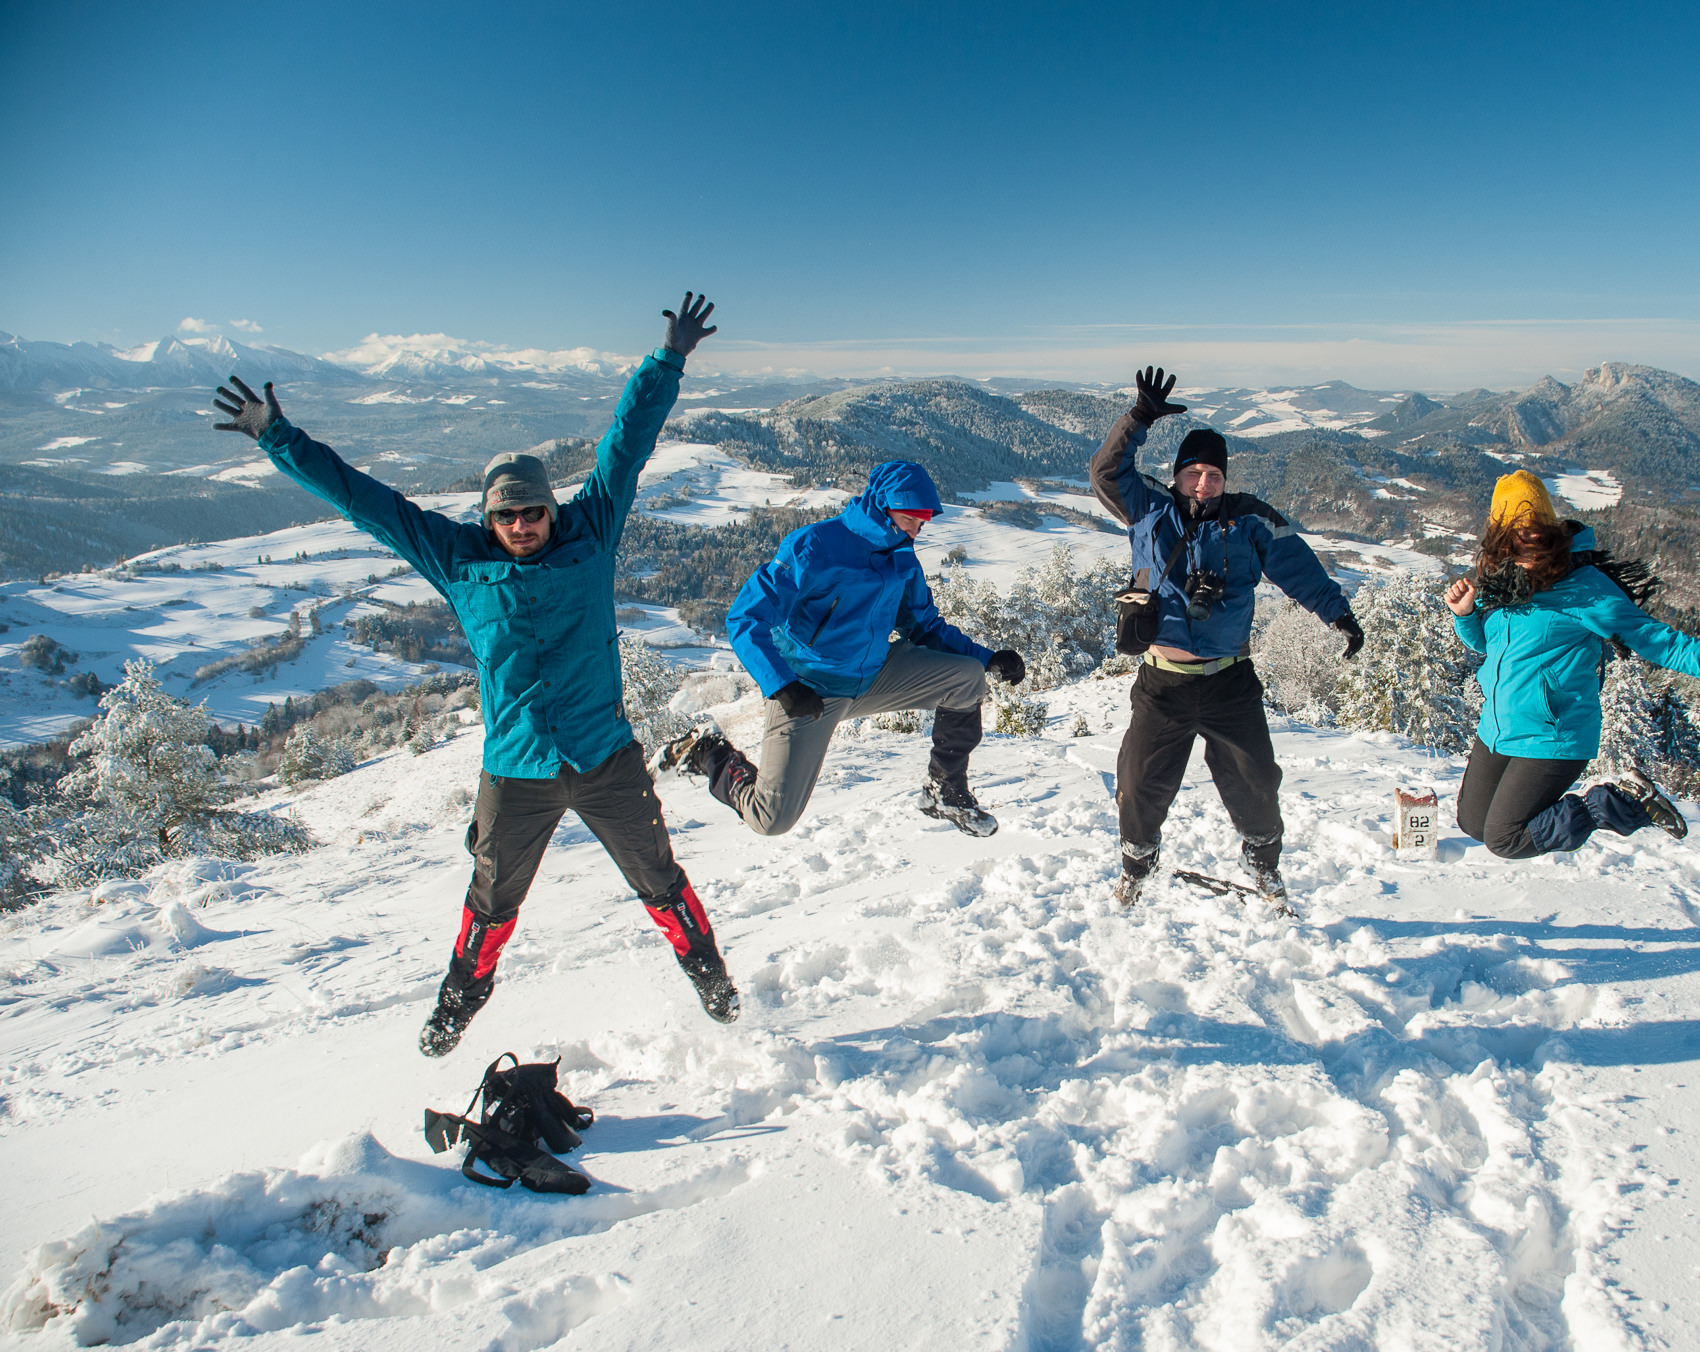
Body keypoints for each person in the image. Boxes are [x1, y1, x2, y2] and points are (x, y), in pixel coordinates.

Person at [211, 293, 741, 1056]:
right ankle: (458, 1004)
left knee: (660, 880)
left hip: (605, 757)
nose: (522, 524)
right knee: (491, 901)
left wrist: (667, 359)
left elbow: (625, 446)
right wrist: (280, 439)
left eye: (532, 511)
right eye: (506, 515)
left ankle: (710, 976)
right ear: (487, 520)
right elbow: (368, 502)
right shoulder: (457, 560)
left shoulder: (591, 530)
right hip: (515, 771)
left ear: (552, 509)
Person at [1090, 367, 1363, 908]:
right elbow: (1104, 473)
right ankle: (1137, 865)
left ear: (1225, 478)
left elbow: (1300, 570)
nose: (1203, 483)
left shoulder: (1251, 520)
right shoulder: (1149, 508)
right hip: (1163, 682)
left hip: (1230, 682)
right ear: (1178, 475)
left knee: (1257, 781)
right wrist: (1139, 417)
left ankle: (1262, 861)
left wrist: (1339, 616)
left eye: (1213, 475)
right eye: (1193, 473)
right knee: (1139, 784)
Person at [664, 459, 1026, 837]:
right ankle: (710, 752)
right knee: (771, 818)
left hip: (873, 676)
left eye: (922, 523)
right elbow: (744, 618)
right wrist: (784, 686)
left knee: (967, 678)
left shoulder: (902, 556)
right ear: (882, 506)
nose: (916, 532)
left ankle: (945, 791)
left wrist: (987, 659)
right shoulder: (815, 547)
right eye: (909, 520)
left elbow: (925, 627)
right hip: (810, 691)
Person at [1445, 470, 1700, 859]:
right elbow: (1488, 644)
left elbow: (1660, 642)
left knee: (1504, 839)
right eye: (1514, 536)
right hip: (1498, 728)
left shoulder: (1583, 588)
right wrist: (1465, 615)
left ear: (1550, 531)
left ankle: (1616, 802)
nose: (1526, 545)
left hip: (1553, 734)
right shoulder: (1500, 582)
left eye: (1534, 532)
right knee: (1473, 823)